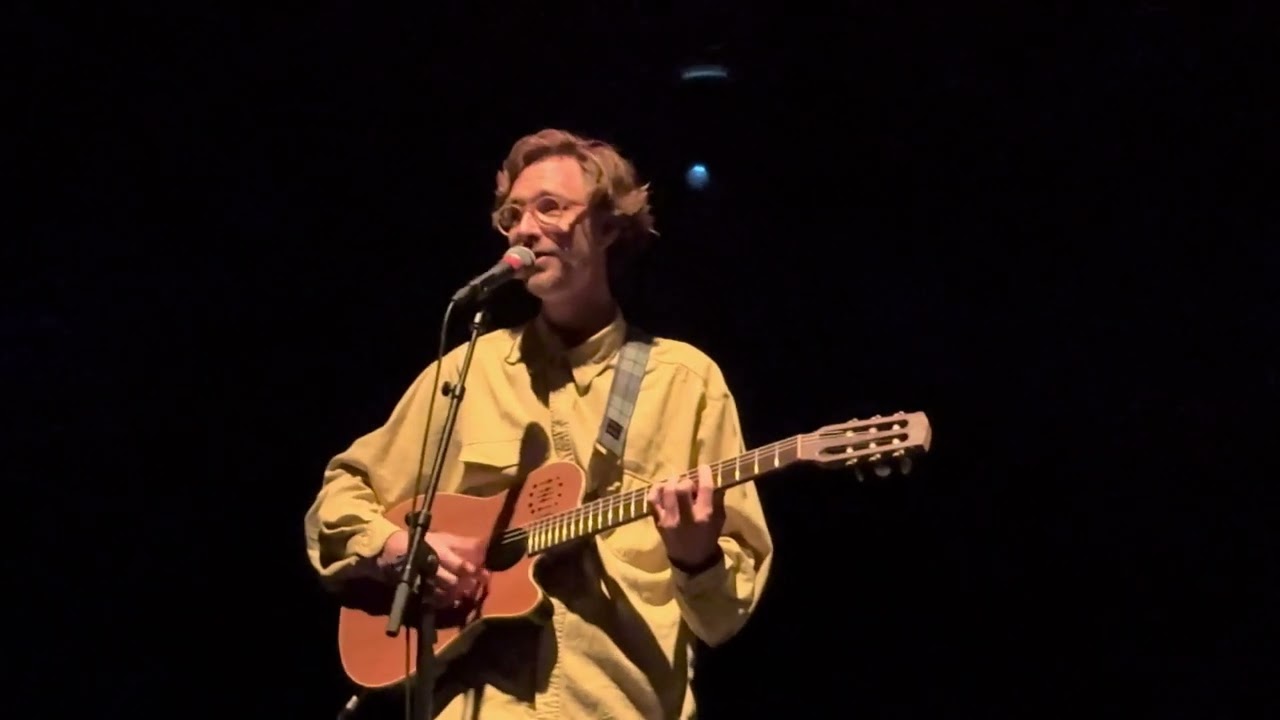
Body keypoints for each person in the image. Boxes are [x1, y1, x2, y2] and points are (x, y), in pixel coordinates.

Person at [304, 128, 773, 719]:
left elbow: (722, 619)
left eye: (550, 207)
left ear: (607, 227)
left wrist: (695, 556)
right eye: (511, 215)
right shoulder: (467, 370)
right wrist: (397, 547)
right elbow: (339, 498)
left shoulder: (685, 382)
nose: (524, 229)